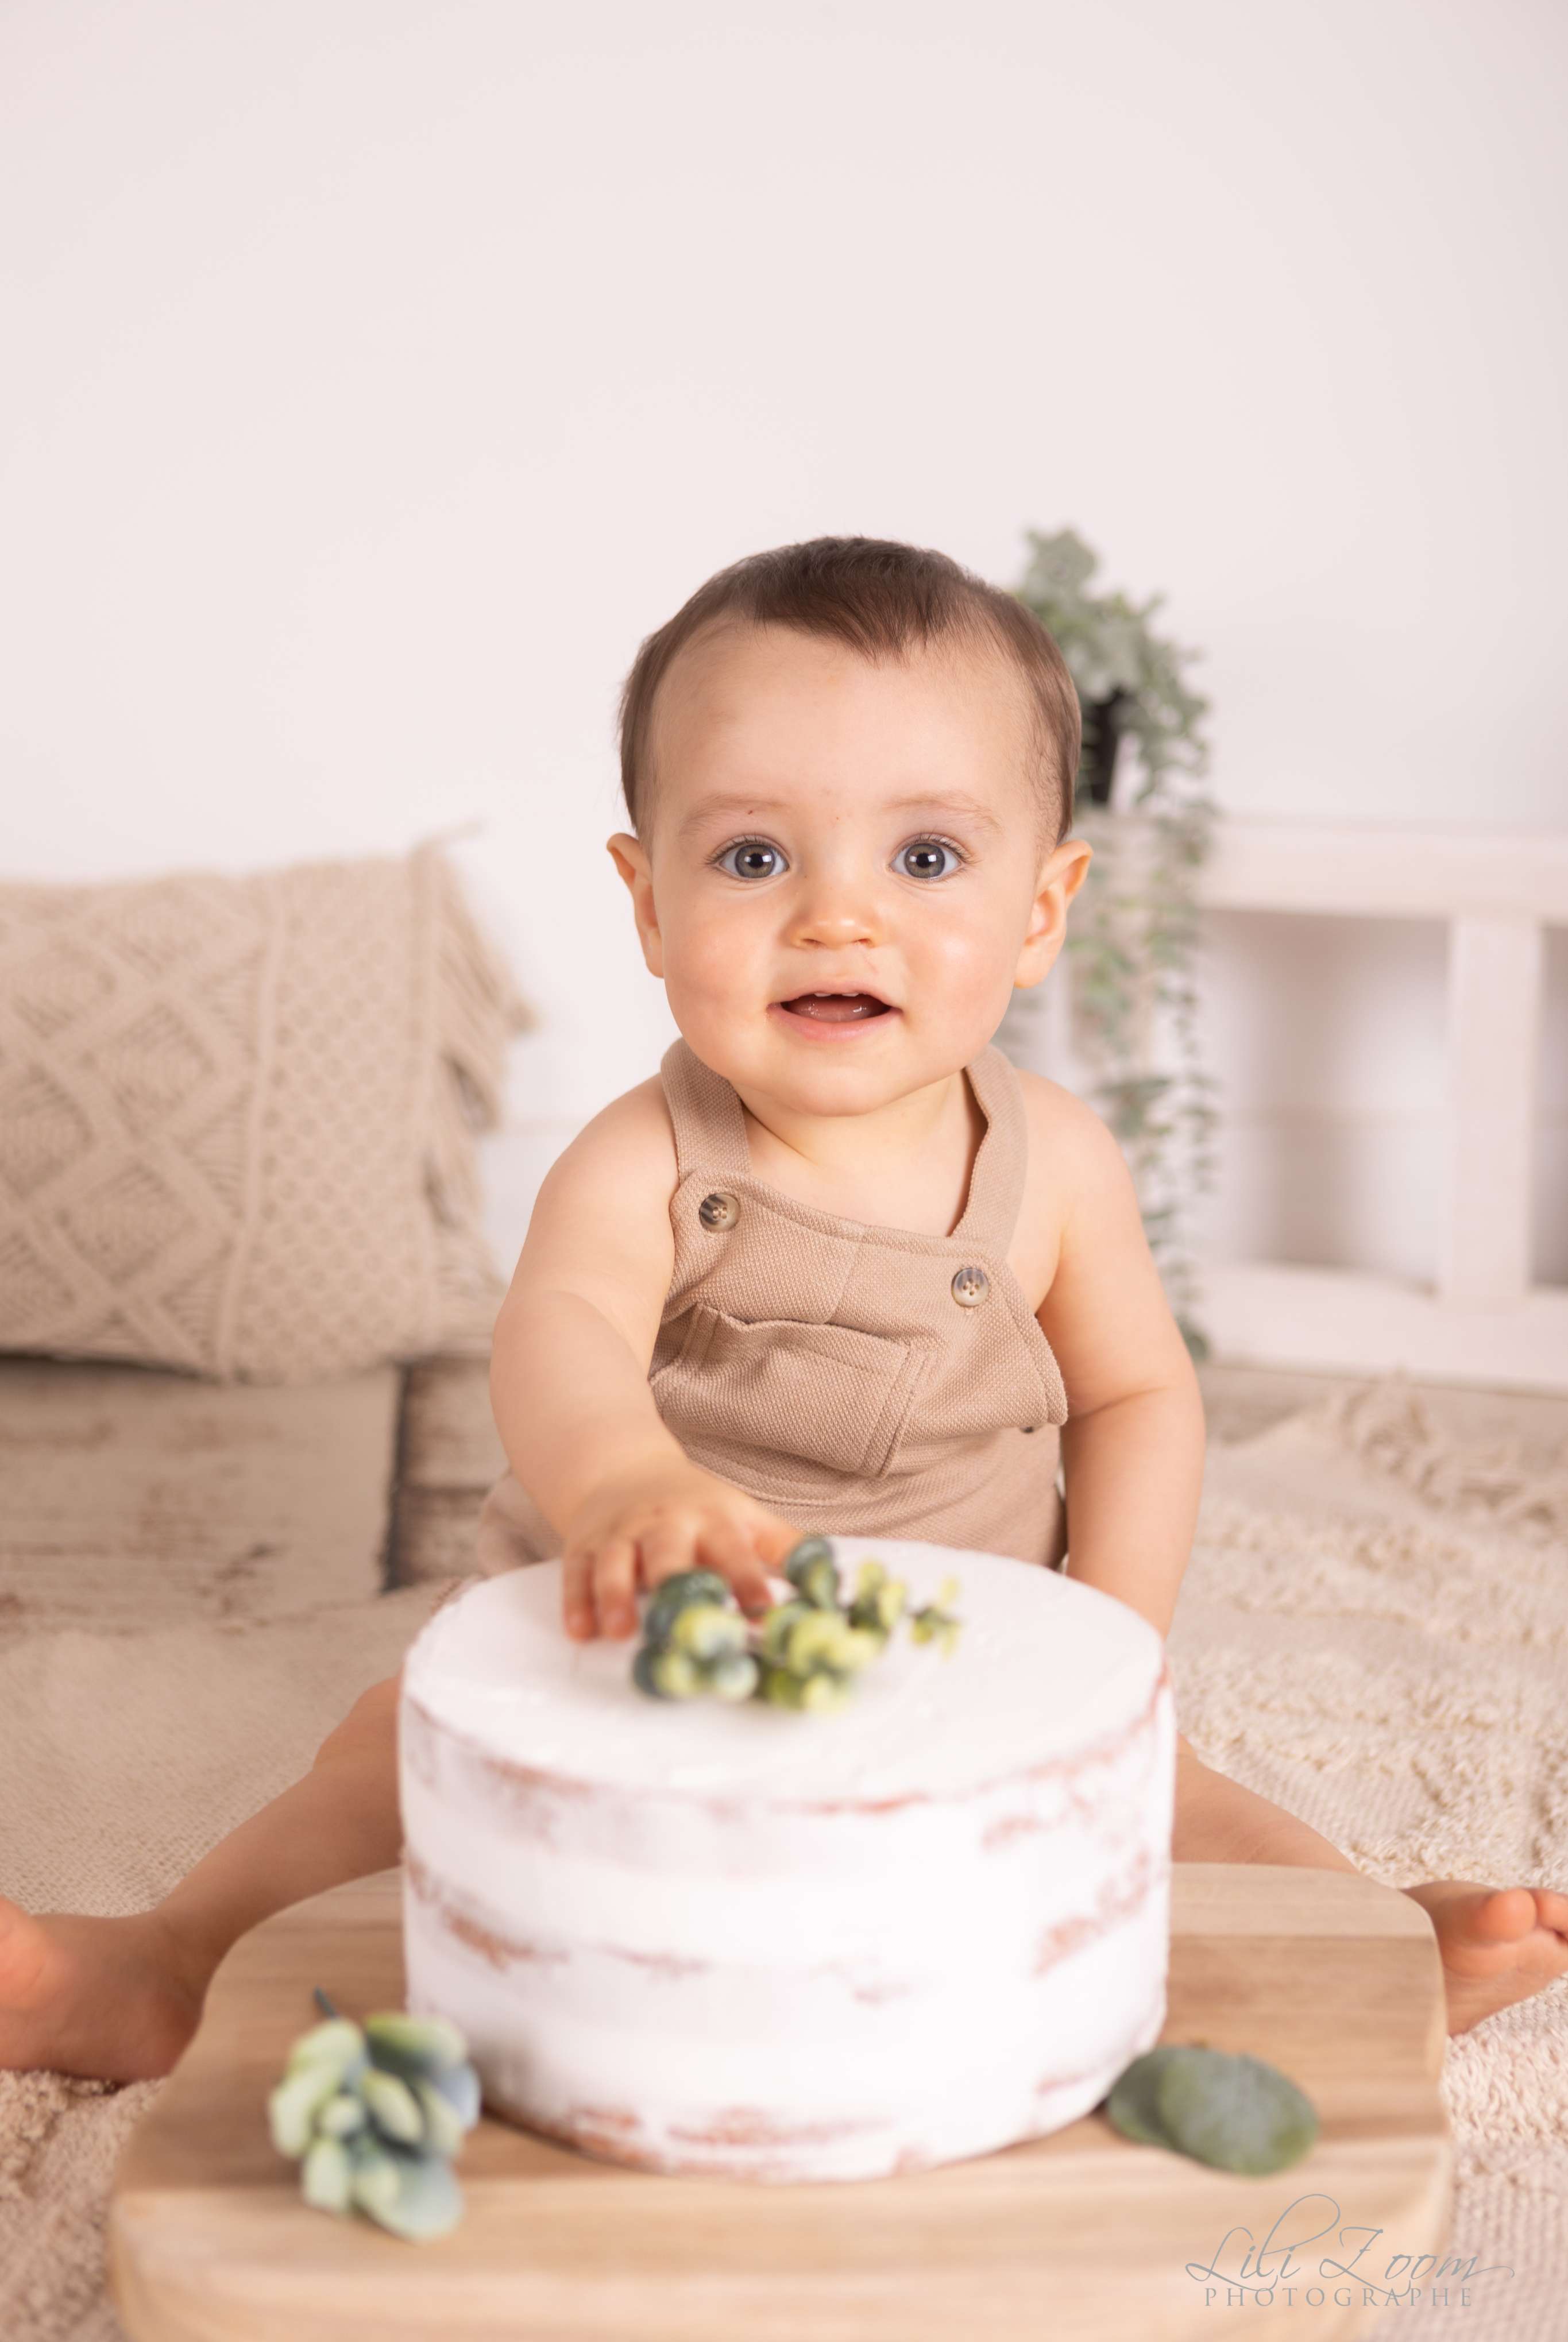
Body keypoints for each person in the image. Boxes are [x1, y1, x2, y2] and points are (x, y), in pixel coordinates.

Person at [4, 536, 1564, 2084]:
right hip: (620, 1643)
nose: (836, 917)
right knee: (381, 1759)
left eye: (927, 859)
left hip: (966, 1648)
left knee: (1174, 1798)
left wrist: (1110, 1630)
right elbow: (560, 1337)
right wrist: (624, 1483)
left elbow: (1137, 1399)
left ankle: (1366, 1946)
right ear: (647, 899)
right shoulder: (642, 1159)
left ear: (1041, 906)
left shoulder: (1062, 1167)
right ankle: (171, 1964)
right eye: (753, 858)